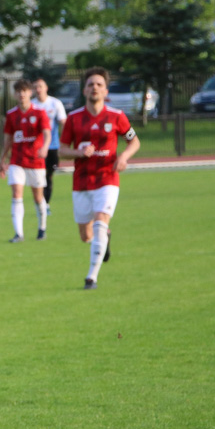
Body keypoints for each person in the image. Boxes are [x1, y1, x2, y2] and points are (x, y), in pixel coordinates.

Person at [59, 67, 141, 290]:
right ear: (84, 90)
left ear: (106, 91)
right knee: (86, 235)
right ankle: (106, 236)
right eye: (90, 85)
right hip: (82, 182)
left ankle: (91, 277)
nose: (94, 88)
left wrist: (123, 156)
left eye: (98, 85)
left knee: (100, 221)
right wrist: (78, 153)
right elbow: (62, 150)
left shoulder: (117, 116)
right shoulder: (74, 119)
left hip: (108, 178)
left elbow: (134, 141)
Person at [0, 79, 52, 242]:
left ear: (30, 93)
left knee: (37, 197)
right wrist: (2, 160)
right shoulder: (11, 115)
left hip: (36, 161)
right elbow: (8, 139)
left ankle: (42, 229)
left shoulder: (39, 112)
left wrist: (45, 147)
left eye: (24, 91)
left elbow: (47, 133)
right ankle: (18, 234)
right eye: (18, 91)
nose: (21, 94)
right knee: (16, 194)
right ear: (15, 94)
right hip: (17, 161)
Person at [32, 78, 67, 215]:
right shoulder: (32, 105)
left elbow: (64, 123)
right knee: (39, 177)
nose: (38, 89)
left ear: (46, 88)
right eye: (35, 87)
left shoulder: (55, 103)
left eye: (40, 86)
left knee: (49, 176)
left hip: (53, 147)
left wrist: (66, 140)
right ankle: (42, 205)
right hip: (37, 148)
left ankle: (45, 203)